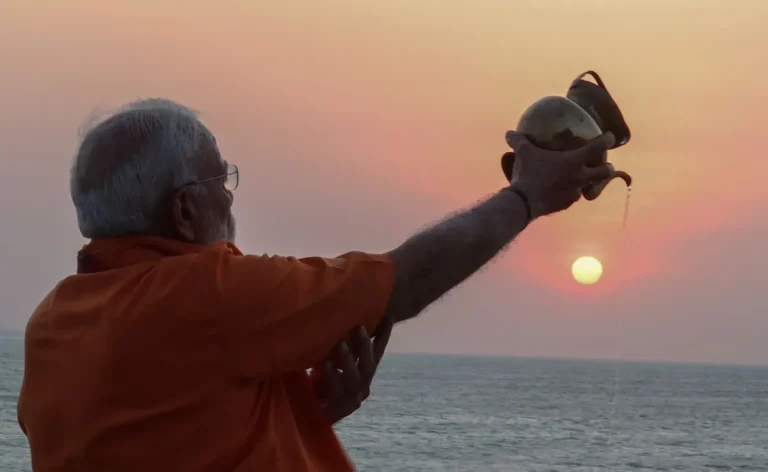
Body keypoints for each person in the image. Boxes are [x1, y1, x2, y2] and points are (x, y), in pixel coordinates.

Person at [17, 99, 616, 471]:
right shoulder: (206, 293)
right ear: (184, 211)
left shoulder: (55, 323)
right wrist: (527, 196)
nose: (229, 192)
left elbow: (158, 436)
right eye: (220, 175)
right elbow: (403, 280)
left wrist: (301, 411)